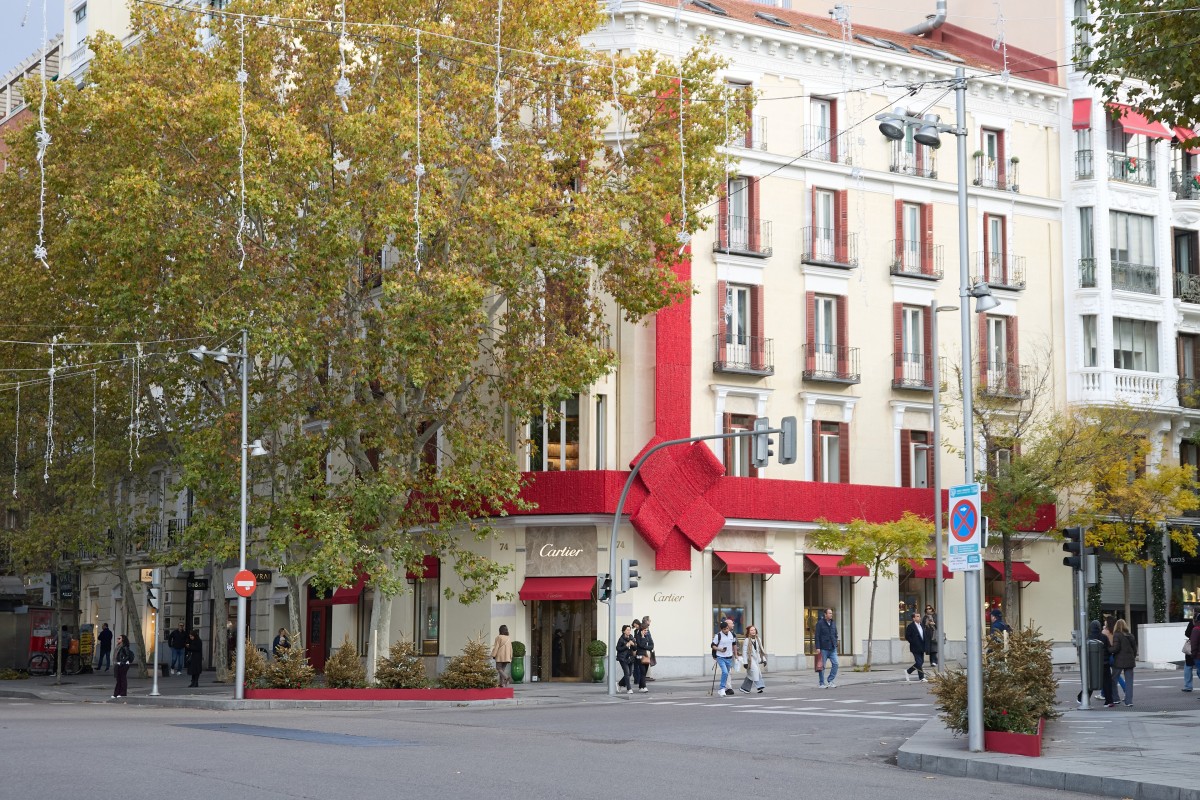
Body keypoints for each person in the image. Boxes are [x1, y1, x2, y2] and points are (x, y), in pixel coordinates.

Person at [1110, 618, 1136, 707]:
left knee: (1113, 679)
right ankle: (1129, 701)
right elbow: (1134, 650)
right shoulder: (1131, 635)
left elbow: (1115, 648)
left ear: (1116, 626)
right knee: (1129, 682)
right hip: (1130, 661)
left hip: (1119, 661)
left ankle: (1116, 698)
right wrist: (1132, 657)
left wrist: (1108, 649)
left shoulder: (1117, 635)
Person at [711, 618, 738, 697]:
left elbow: (734, 644)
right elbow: (713, 646)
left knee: (727, 673)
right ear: (721, 629)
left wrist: (736, 654)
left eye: (727, 628)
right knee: (725, 672)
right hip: (720, 657)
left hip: (729, 657)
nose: (726, 630)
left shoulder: (732, 635)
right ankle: (722, 689)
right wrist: (720, 649)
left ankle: (724, 688)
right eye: (724, 629)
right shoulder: (718, 635)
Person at [814, 607, 839, 689]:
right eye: (830, 613)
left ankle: (830, 680)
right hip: (823, 648)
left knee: (835, 664)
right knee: (822, 666)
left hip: (832, 648)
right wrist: (818, 647)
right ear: (825, 614)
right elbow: (817, 636)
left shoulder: (833, 623)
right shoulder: (820, 623)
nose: (831, 615)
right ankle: (821, 683)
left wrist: (835, 642)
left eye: (831, 613)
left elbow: (835, 634)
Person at [739, 625, 767, 694]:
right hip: (750, 659)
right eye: (751, 630)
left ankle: (744, 688)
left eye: (754, 630)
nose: (753, 631)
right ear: (749, 632)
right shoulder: (746, 640)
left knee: (751, 674)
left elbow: (761, 650)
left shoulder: (758, 639)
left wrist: (764, 659)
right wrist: (745, 662)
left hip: (756, 658)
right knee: (755, 671)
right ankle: (760, 686)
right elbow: (744, 652)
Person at [905, 611, 928, 682]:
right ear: (913, 618)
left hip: (922, 647)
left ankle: (910, 672)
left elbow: (924, 636)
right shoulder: (910, 626)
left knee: (921, 662)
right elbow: (907, 636)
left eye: (919, 616)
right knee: (919, 662)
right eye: (917, 616)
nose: (919, 618)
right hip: (915, 647)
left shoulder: (921, 625)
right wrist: (913, 642)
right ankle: (920, 676)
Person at [633, 617, 654, 693]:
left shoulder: (648, 635)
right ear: (641, 630)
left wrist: (646, 647)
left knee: (644, 672)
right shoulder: (638, 636)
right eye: (645, 630)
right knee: (642, 671)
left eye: (647, 630)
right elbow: (640, 644)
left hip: (646, 655)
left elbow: (652, 645)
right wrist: (642, 637)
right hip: (640, 656)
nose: (646, 632)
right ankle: (644, 686)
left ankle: (641, 687)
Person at [112, 634, 134, 699]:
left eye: (119, 638)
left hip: (123, 665)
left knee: (122, 678)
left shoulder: (124, 647)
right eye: (117, 638)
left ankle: (122, 693)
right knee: (118, 679)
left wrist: (121, 662)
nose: (117, 640)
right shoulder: (118, 646)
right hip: (118, 664)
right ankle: (116, 693)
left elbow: (127, 656)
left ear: (122, 640)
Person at [616, 625, 636, 693]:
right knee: (627, 673)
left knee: (630, 673)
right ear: (624, 631)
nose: (629, 631)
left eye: (629, 630)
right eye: (627, 630)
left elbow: (635, 648)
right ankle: (629, 689)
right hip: (623, 658)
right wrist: (626, 646)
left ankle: (619, 684)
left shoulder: (631, 638)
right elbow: (618, 649)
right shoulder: (621, 639)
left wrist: (633, 644)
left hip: (630, 658)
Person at [1184, 613, 1199, 692]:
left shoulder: (1193, 624)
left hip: (1192, 649)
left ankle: (1188, 686)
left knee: (1188, 666)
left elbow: (1186, 633)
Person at [641, 615, 655, 681]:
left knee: (648, 662)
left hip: (648, 648)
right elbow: (645, 640)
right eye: (649, 620)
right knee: (646, 662)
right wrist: (648, 647)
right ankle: (646, 676)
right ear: (646, 621)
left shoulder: (646, 628)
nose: (650, 621)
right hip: (646, 649)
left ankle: (647, 676)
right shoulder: (644, 628)